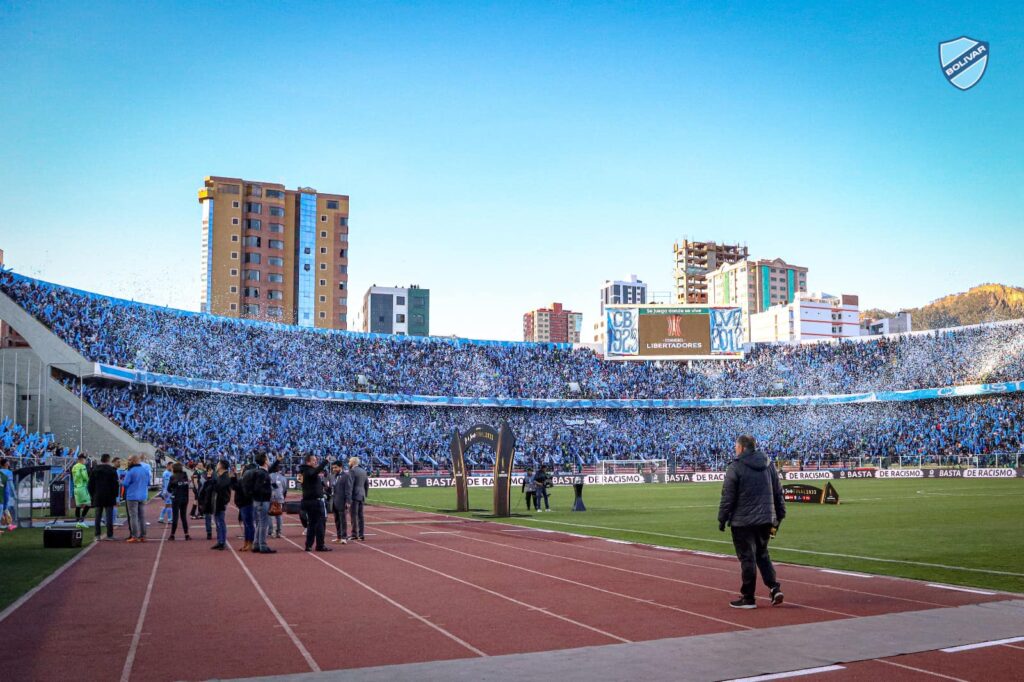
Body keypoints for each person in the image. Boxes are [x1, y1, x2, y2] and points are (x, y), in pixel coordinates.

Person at [717, 435, 786, 609]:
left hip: (743, 521)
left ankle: (748, 597)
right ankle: (774, 587)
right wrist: (779, 516)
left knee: (747, 558)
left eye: (735, 447)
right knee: (762, 554)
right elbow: (779, 492)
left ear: (741, 448)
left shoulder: (735, 466)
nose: (735, 449)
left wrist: (722, 518)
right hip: (766, 519)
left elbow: (728, 496)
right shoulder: (768, 465)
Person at [249, 454, 281, 554]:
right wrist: (268, 493)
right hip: (263, 501)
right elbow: (259, 488)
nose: (269, 460)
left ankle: (256, 544)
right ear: (265, 461)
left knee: (260, 523)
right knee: (264, 524)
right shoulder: (262, 474)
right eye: (267, 459)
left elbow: (269, 470)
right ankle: (262, 545)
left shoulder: (260, 472)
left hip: (258, 501)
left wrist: (277, 461)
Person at [299, 454, 331, 551]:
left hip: (309, 501)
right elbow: (315, 472)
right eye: (314, 460)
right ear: (308, 462)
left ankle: (309, 545)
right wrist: (325, 461)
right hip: (315, 502)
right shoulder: (309, 471)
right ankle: (320, 545)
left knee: (312, 524)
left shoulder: (305, 471)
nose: (316, 462)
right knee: (320, 523)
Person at [87, 454, 119, 541]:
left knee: (98, 516)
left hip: (98, 495)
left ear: (101, 460)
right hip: (109, 496)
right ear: (108, 460)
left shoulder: (95, 469)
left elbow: (90, 485)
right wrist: (116, 495)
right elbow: (115, 485)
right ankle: (110, 535)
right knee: (109, 516)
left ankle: (97, 535)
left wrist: (92, 495)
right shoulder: (112, 470)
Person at [123, 455, 152, 543]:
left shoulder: (131, 471)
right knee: (142, 517)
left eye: (129, 460)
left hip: (132, 496)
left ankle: (135, 536)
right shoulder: (145, 470)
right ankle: (143, 536)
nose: (128, 462)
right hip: (143, 495)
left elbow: (125, 484)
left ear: (133, 461)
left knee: (133, 517)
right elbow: (148, 483)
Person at [210, 459, 232, 550]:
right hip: (217, 502)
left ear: (221, 466)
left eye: (218, 464)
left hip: (221, 502)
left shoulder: (225, 477)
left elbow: (219, 488)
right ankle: (220, 540)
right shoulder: (220, 476)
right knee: (218, 521)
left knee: (220, 522)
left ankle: (222, 541)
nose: (216, 465)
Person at [234, 463, 256, 552]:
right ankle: (247, 543)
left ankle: (250, 543)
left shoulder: (247, 481)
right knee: (247, 525)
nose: (242, 470)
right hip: (243, 504)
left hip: (246, 504)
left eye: (243, 468)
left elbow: (237, 488)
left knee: (249, 525)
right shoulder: (243, 479)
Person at [329, 460, 352, 544]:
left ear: (340, 467)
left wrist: (348, 501)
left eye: (335, 467)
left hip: (342, 501)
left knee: (343, 520)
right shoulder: (333, 476)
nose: (334, 469)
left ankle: (344, 537)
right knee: (337, 520)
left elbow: (348, 490)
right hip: (334, 501)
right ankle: (339, 537)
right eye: (333, 467)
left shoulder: (346, 476)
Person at [168, 462, 191, 541]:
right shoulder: (185, 476)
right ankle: (186, 534)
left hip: (176, 499)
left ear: (174, 469)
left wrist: (173, 491)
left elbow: (168, 489)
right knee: (183, 517)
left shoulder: (172, 477)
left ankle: (172, 535)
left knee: (175, 517)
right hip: (185, 499)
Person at [348, 456, 368, 542]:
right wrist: (365, 494)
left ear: (352, 463)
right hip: (361, 495)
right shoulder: (363, 471)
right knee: (361, 516)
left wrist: (348, 497)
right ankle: (361, 534)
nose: (349, 463)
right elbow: (366, 484)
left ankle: (354, 534)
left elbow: (350, 485)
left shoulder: (352, 471)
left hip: (354, 495)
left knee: (353, 515)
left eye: (349, 462)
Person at [71, 453, 91, 522]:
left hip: (76, 488)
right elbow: (85, 477)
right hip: (82, 487)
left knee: (78, 505)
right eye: (85, 459)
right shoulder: (82, 466)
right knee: (88, 504)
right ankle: (82, 517)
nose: (85, 461)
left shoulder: (74, 467)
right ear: (82, 459)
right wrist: (88, 481)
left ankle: (77, 518)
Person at [270, 461, 287, 539]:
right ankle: (279, 532)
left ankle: (272, 532)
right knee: (279, 515)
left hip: (270, 497)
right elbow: (284, 489)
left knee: (271, 515)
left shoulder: (269, 476)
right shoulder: (283, 478)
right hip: (279, 497)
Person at [198, 467, 216, 540]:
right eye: (208, 471)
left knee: (216, 518)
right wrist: (201, 502)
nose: (209, 472)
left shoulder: (216, 480)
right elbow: (201, 493)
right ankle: (209, 533)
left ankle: (218, 532)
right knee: (208, 518)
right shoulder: (204, 481)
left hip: (214, 502)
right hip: (208, 502)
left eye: (210, 470)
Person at [1, 456, 16, 531]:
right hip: (6, 492)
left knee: (3, 508)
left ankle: (8, 524)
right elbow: (11, 484)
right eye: (8, 461)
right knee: (5, 508)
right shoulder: (9, 472)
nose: (9, 463)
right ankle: (9, 524)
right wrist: (14, 494)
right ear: (5, 464)